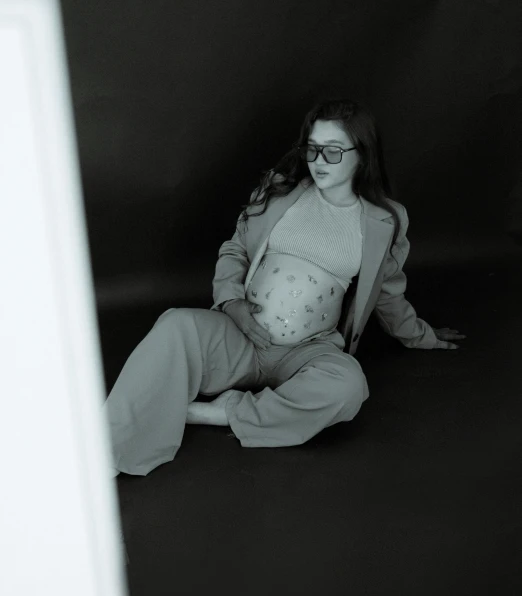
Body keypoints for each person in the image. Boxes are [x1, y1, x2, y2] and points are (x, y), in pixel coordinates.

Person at [103, 99, 466, 477]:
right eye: (312, 148)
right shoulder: (280, 190)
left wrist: (419, 335)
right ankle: (106, 451)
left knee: (348, 387)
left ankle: (223, 411)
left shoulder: (384, 220)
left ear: (363, 153)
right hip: (242, 339)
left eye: (333, 151)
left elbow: (388, 290)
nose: (319, 160)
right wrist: (231, 304)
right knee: (175, 325)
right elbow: (235, 250)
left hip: (307, 351)